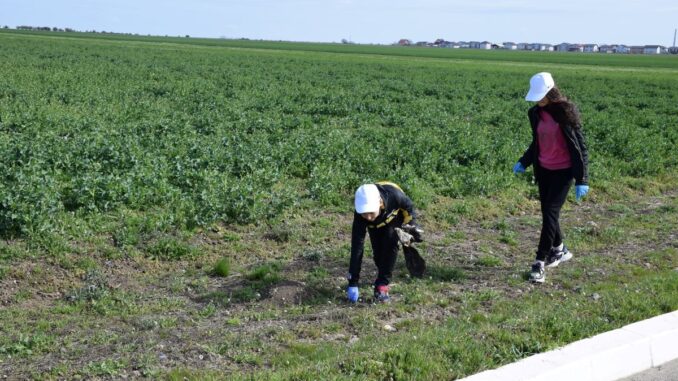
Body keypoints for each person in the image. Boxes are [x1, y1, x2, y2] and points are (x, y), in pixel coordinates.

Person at [513, 72, 590, 284]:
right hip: (544, 170)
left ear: (550, 92)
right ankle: (559, 249)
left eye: (541, 96)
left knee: (550, 213)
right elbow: (536, 142)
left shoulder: (565, 113)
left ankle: (539, 263)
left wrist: (582, 179)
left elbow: (580, 147)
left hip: (563, 172)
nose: (538, 100)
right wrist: (524, 161)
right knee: (548, 214)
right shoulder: (534, 113)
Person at [347, 181, 423, 303]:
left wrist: (411, 225)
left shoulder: (395, 196)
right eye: (364, 214)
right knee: (379, 256)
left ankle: (382, 285)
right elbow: (357, 246)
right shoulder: (361, 216)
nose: (368, 217)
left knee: (391, 241)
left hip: (394, 218)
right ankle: (383, 272)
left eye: (371, 212)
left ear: (380, 203)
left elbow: (409, 209)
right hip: (376, 226)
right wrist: (353, 282)